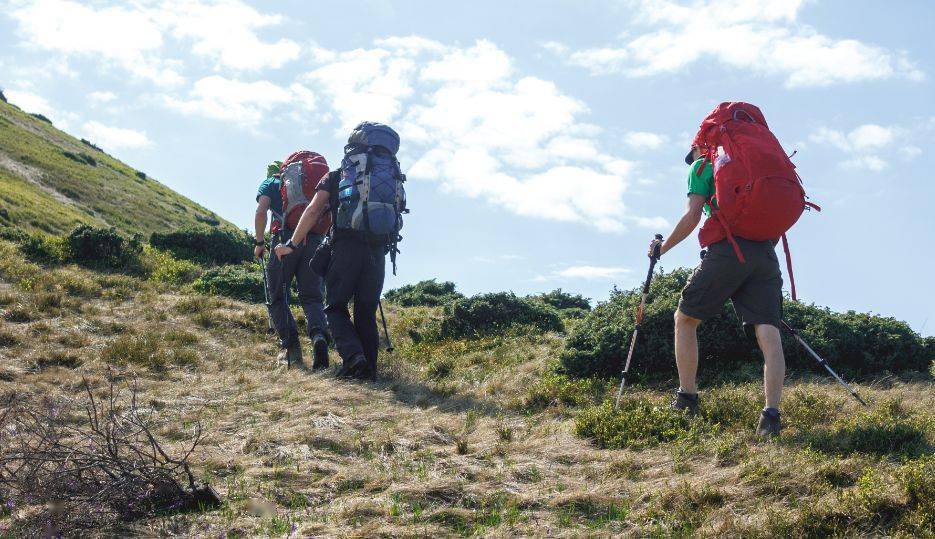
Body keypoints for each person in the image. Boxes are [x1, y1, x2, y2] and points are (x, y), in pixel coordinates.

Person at [650, 144, 786, 437]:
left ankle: (687, 399)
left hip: (727, 249)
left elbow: (692, 216)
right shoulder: (754, 164)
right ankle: (771, 417)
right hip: (765, 254)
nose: (692, 159)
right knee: (768, 331)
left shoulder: (702, 167)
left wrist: (662, 249)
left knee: (685, 319)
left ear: (700, 146)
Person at [275, 122, 404, 381]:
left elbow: (312, 210)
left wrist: (291, 244)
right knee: (365, 310)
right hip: (378, 250)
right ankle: (370, 370)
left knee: (334, 307)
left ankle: (354, 359)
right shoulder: (390, 176)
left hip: (345, 247)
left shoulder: (336, 176)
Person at [255, 160, 329, 370]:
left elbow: (261, 212)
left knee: (278, 295)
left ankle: (291, 349)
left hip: (283, 241)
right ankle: (318, 337)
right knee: (313, 297)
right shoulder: (314, 183)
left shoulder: (269, 183)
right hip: (314, 240)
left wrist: (259, 243)